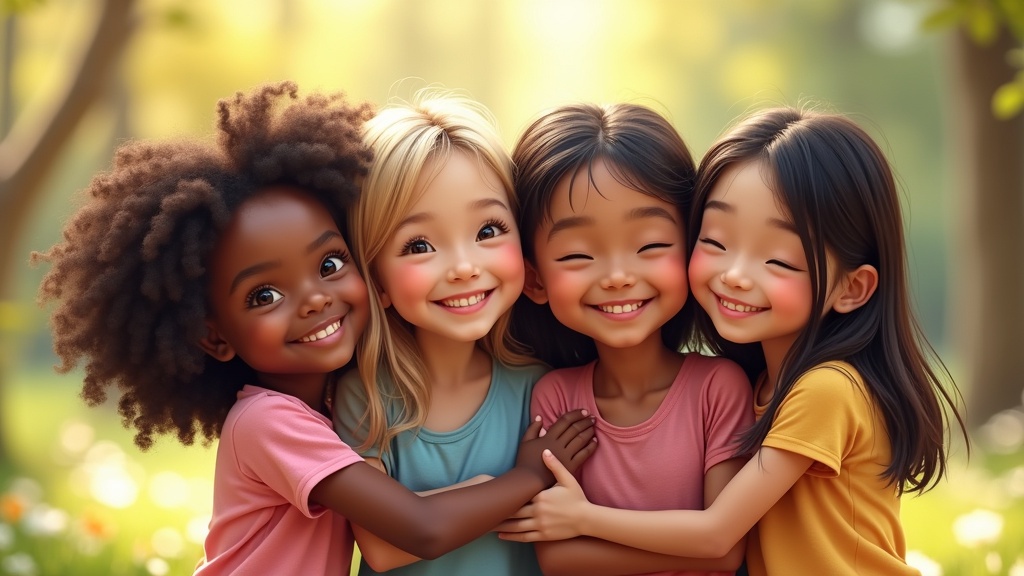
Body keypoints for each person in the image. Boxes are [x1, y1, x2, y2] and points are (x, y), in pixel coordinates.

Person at [33, 81, 597, 576]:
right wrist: (526, 477)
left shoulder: (331, 400)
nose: (314, 302)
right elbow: (406, 535)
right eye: (265, 295)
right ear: (213, 335)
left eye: (329, 266)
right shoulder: (278, 420)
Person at [498, 106, 969, 576]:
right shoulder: (763, 385)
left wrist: (583, 517)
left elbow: (719, 535)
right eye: (718, 243)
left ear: (852, 288)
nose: (737, 276)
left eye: (779, 261)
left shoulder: (826, 389)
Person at [331, 90, 587, 576]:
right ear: (377, 281)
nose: (465, 267)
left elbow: (565, 524)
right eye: (420, 244)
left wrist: (456, 504)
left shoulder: (543, 385)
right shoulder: (366, 398)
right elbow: (384, 548)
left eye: (488, 230)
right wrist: (518, 481)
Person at [505, 102, 754, 576]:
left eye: (650, 246)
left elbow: (724, 553)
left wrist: (586, 521)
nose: (618, 276)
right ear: (534, 280)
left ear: (692, 247)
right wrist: (690, 546)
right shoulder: (556, 396)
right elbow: (559, 558)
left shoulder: (719, 388)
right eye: (578, 254)